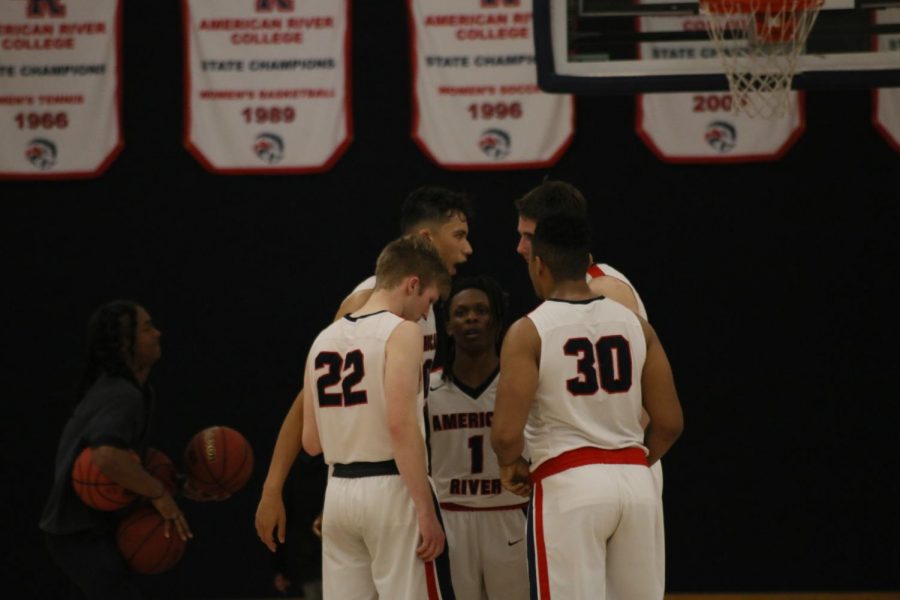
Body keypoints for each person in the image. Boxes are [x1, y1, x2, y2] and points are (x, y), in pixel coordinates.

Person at [256, 186, 473, 553]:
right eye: (459, 236)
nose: (468, 249)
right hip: (381, 481)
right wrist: (273, 487)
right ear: (425, 237)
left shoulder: (426, 304)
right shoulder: (365, 304)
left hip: (380, 485)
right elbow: (311, 400)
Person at [491, 215, 683, 599]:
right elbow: (670, 423)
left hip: (569, 484)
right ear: (587, 262)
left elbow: (506, 434)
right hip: (635, 485)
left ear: (539, 264)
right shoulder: (636, 325)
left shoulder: (529, 330)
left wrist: (511, 465)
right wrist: (633, 463)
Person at [301, 235, 455, 599]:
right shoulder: (402, 331)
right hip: (391, 489)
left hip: (338, 494)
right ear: (412, 284)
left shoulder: (323, 338)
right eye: (428, 301)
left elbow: (311, 442)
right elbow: (401, 426)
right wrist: (425, 510)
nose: (424, 313)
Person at [39, 300, 192, 600]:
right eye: (147, 328)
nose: (158, 334)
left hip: (92, 529)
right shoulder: (123, 395)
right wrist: (159, 494)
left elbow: (132, 463)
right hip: (76, 533)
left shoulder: (136, 391)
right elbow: (107, 456)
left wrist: (181, 484)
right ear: (125, 343)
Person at [427, 276, 529, 599]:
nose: (471, 317)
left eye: (481, 310)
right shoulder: (427, 389)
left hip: (511, 514)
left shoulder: (521, 385)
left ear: (498, 324)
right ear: (446, 326)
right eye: (461, 312)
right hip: (450, 517)